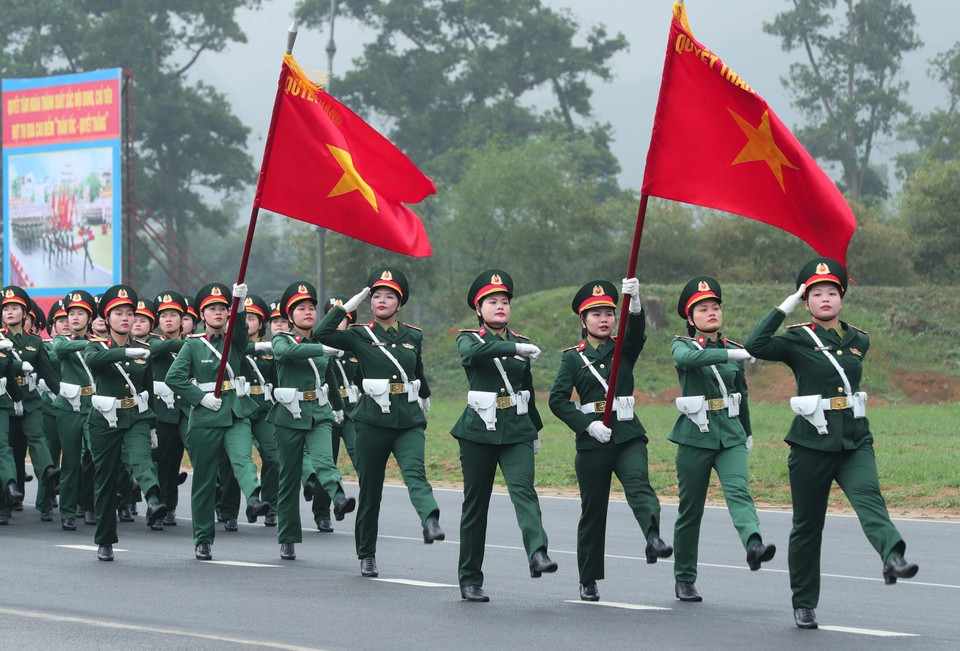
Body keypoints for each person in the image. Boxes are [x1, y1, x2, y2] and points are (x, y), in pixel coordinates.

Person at [744, 258, 918, 630]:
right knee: (808, 526)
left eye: (832, 292)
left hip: (854, 439)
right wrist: (785, 305)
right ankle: (804, 602)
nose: (825, 298)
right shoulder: (796, 338)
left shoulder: (859, 339)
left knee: (870, 499)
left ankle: (893, 556)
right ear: (807, 301)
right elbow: (754, 345)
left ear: (842, 298)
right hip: (811, 444)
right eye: (816, 293)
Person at [550, 278, 673, 603]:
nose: (604, 319)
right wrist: (586, 426)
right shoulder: (572, 359)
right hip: (593, 441)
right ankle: (588, 579)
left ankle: (653, 537)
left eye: (608, 312)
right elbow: (558, 400)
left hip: (628, 433)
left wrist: (634, 303)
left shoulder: (623, 348)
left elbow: (636, 334)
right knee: (593, 510)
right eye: (596, 314)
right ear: (583, 320)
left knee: (639, 484)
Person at [315, 267, 443, 578]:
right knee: (371, 490)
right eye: (376, 296)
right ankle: (367, 553)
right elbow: (321, 334)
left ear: (400, 304)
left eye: (389, 296)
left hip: (408, 419)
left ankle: (430, 520)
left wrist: (424, 394)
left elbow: (417, 369)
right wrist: (346, 306)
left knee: (415, 473)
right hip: (372, 421)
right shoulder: (359, 335)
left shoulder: (413, 335)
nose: (381, 301)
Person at [668, 276, 775, 603]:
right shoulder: (682, 344)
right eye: (703, 308)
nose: (711, 312)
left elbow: (740, 393)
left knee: (739, 491)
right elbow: (687, 361)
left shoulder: (734, 348)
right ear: (690, 317)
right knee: (691, 510)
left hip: (729, 434)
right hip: (694, 436)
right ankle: (684, 578)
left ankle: (754, 544)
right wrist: (731, 356)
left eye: (715, 307)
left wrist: (748, 431)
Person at [454, 270, 556, 603]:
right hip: (478, 432)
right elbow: (475, 355)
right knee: (476, 504)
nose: (500, 306)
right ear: (479, 308)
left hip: (516, 429)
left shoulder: (520, 343)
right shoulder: (468, 338)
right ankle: (470, 578)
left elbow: (526, 389)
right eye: (492, 302)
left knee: (524, 491)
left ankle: (537, 551)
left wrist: (535, 430)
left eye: (504, 301)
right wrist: (516, 347)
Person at [165, 282, 269, 560]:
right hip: (205, 416)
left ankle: (255, 498)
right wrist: (199, 397)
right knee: (204, 480)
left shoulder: (234, 341)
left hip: (234, 410)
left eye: (223, 308)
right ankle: (202, 538)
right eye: (213, 309)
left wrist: (241, 305)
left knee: (242, 458)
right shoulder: (193, 345)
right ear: (202, 314)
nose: (219, 313)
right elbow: (173, 378)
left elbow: (240, 333)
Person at [269, 282, 354, 560]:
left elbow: (327, 378)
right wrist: (320, 349)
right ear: (290, 316)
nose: (308, 312)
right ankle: (288, 537)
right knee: (290, 478)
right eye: (300, 308)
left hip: (318, 412)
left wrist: (338, 408)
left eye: (311, 308)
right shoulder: (282, 338)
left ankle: (339, 498)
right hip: (288, 417)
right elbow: (287, 354)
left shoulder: (320, 341)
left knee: (324, 460)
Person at [83, 284, 168, 561]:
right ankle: (105, 539)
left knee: (141, 458)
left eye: (130, 313)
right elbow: (94, 361)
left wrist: (153, 424)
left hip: (136, 416)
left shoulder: (144, 348)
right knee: (106, 480)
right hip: (105, 420)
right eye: (118, 313)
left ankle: (154, 501)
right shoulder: (95, 345)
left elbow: (149, 389)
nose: (125, 318)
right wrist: (124, 353)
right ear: (107, 319)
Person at [0, 285, 61, 525]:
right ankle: (6, 504)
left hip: (29, 400)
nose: (10, 313)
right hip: (5, 400)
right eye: (6, 309)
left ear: (25, 314)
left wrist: (64, 395)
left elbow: (48, 375)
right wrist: (16, 367)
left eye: (15, 308)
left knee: (37, 437)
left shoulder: (35, 342)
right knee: (7, 451)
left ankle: (47, 470)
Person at [309, 296, 361, 533]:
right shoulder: (318, 345)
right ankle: (322, 513)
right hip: (327, 411)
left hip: (351, 411)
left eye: (345, 319)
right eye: (336, 319)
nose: (340, 324)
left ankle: (357, 508)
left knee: (362, 456)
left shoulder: (355, 347)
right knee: (326, 463)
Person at [50, 291, 97, 531]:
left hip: (94, 407)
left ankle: (90, 506)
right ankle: (67, 511)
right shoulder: (61, 339)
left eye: (81, 313)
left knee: (94, 458)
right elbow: (60, 350)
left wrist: (96, 341)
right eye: (71, 313)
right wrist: (92, 343)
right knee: (70, 462)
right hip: (68, 407)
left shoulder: (100, 339)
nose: (75, 318)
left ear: (90, 317)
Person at [150, 291, 189, 528]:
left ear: (181, 319)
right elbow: (159, 350)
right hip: (163, 411)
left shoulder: (193, 343)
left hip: (186, 408)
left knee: (176, 461)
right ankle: (160, 508)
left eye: (173, 315)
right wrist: (192, 343)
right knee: (162, 462)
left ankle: (170, 506)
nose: (168, 320)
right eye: (163, 315)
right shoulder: (154, 341)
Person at [241, 292, 279, 528]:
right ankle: (229, 508)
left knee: (274, 457)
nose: (247, 323)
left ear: (260, 323)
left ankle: (271, 507)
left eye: (252, 318)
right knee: (239, 459)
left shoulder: (269, 349)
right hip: (240, 409)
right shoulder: (228, 347)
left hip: (264, 408)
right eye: (243, 318)